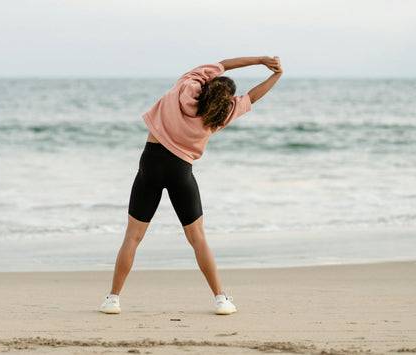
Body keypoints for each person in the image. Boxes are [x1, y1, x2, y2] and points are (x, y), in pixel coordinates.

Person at [100, 56, 283, 315]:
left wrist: (260, 60)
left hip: (151, 162)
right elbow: (252, 96)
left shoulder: (186, 86)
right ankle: (221, 299)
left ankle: (113, 300)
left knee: (133, 236)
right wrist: (276, 75)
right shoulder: (220, 115)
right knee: (197, 238)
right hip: (181, 170)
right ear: (226, 101)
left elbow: (222, 63)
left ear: (206, 84)